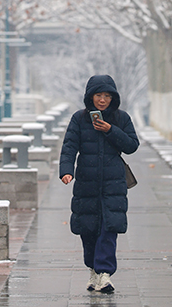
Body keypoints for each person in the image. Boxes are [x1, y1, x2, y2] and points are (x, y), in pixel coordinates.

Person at [59, 73, 139, 294]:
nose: (102, 100)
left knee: (108, 228)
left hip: (113, 184)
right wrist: (66, 171)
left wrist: (111, 130)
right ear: (90, 97)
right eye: (98, 95)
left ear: (113, 98)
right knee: (88, 229)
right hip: (86, 183)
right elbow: (69, 147)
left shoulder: (121, 118)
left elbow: (132, 145)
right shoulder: (79, 119)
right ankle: (93, 270)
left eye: (107, 95)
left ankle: (104, 273)